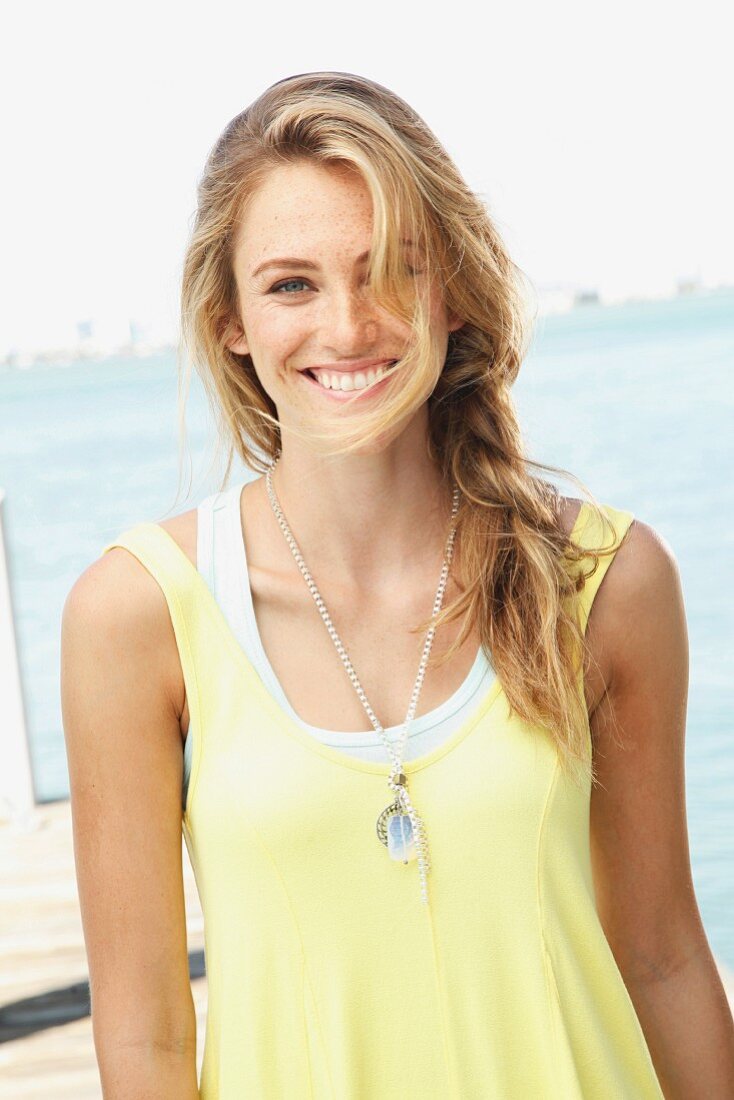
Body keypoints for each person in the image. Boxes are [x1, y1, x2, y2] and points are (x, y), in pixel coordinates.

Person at [60, 72, 734, 1099]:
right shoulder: (137, 613)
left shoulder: (600, 579)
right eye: (291, 283)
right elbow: (145, 1037)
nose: (348, 325)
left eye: (391, 271)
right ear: (229, 318)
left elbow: (662, 956)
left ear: (451, 289)